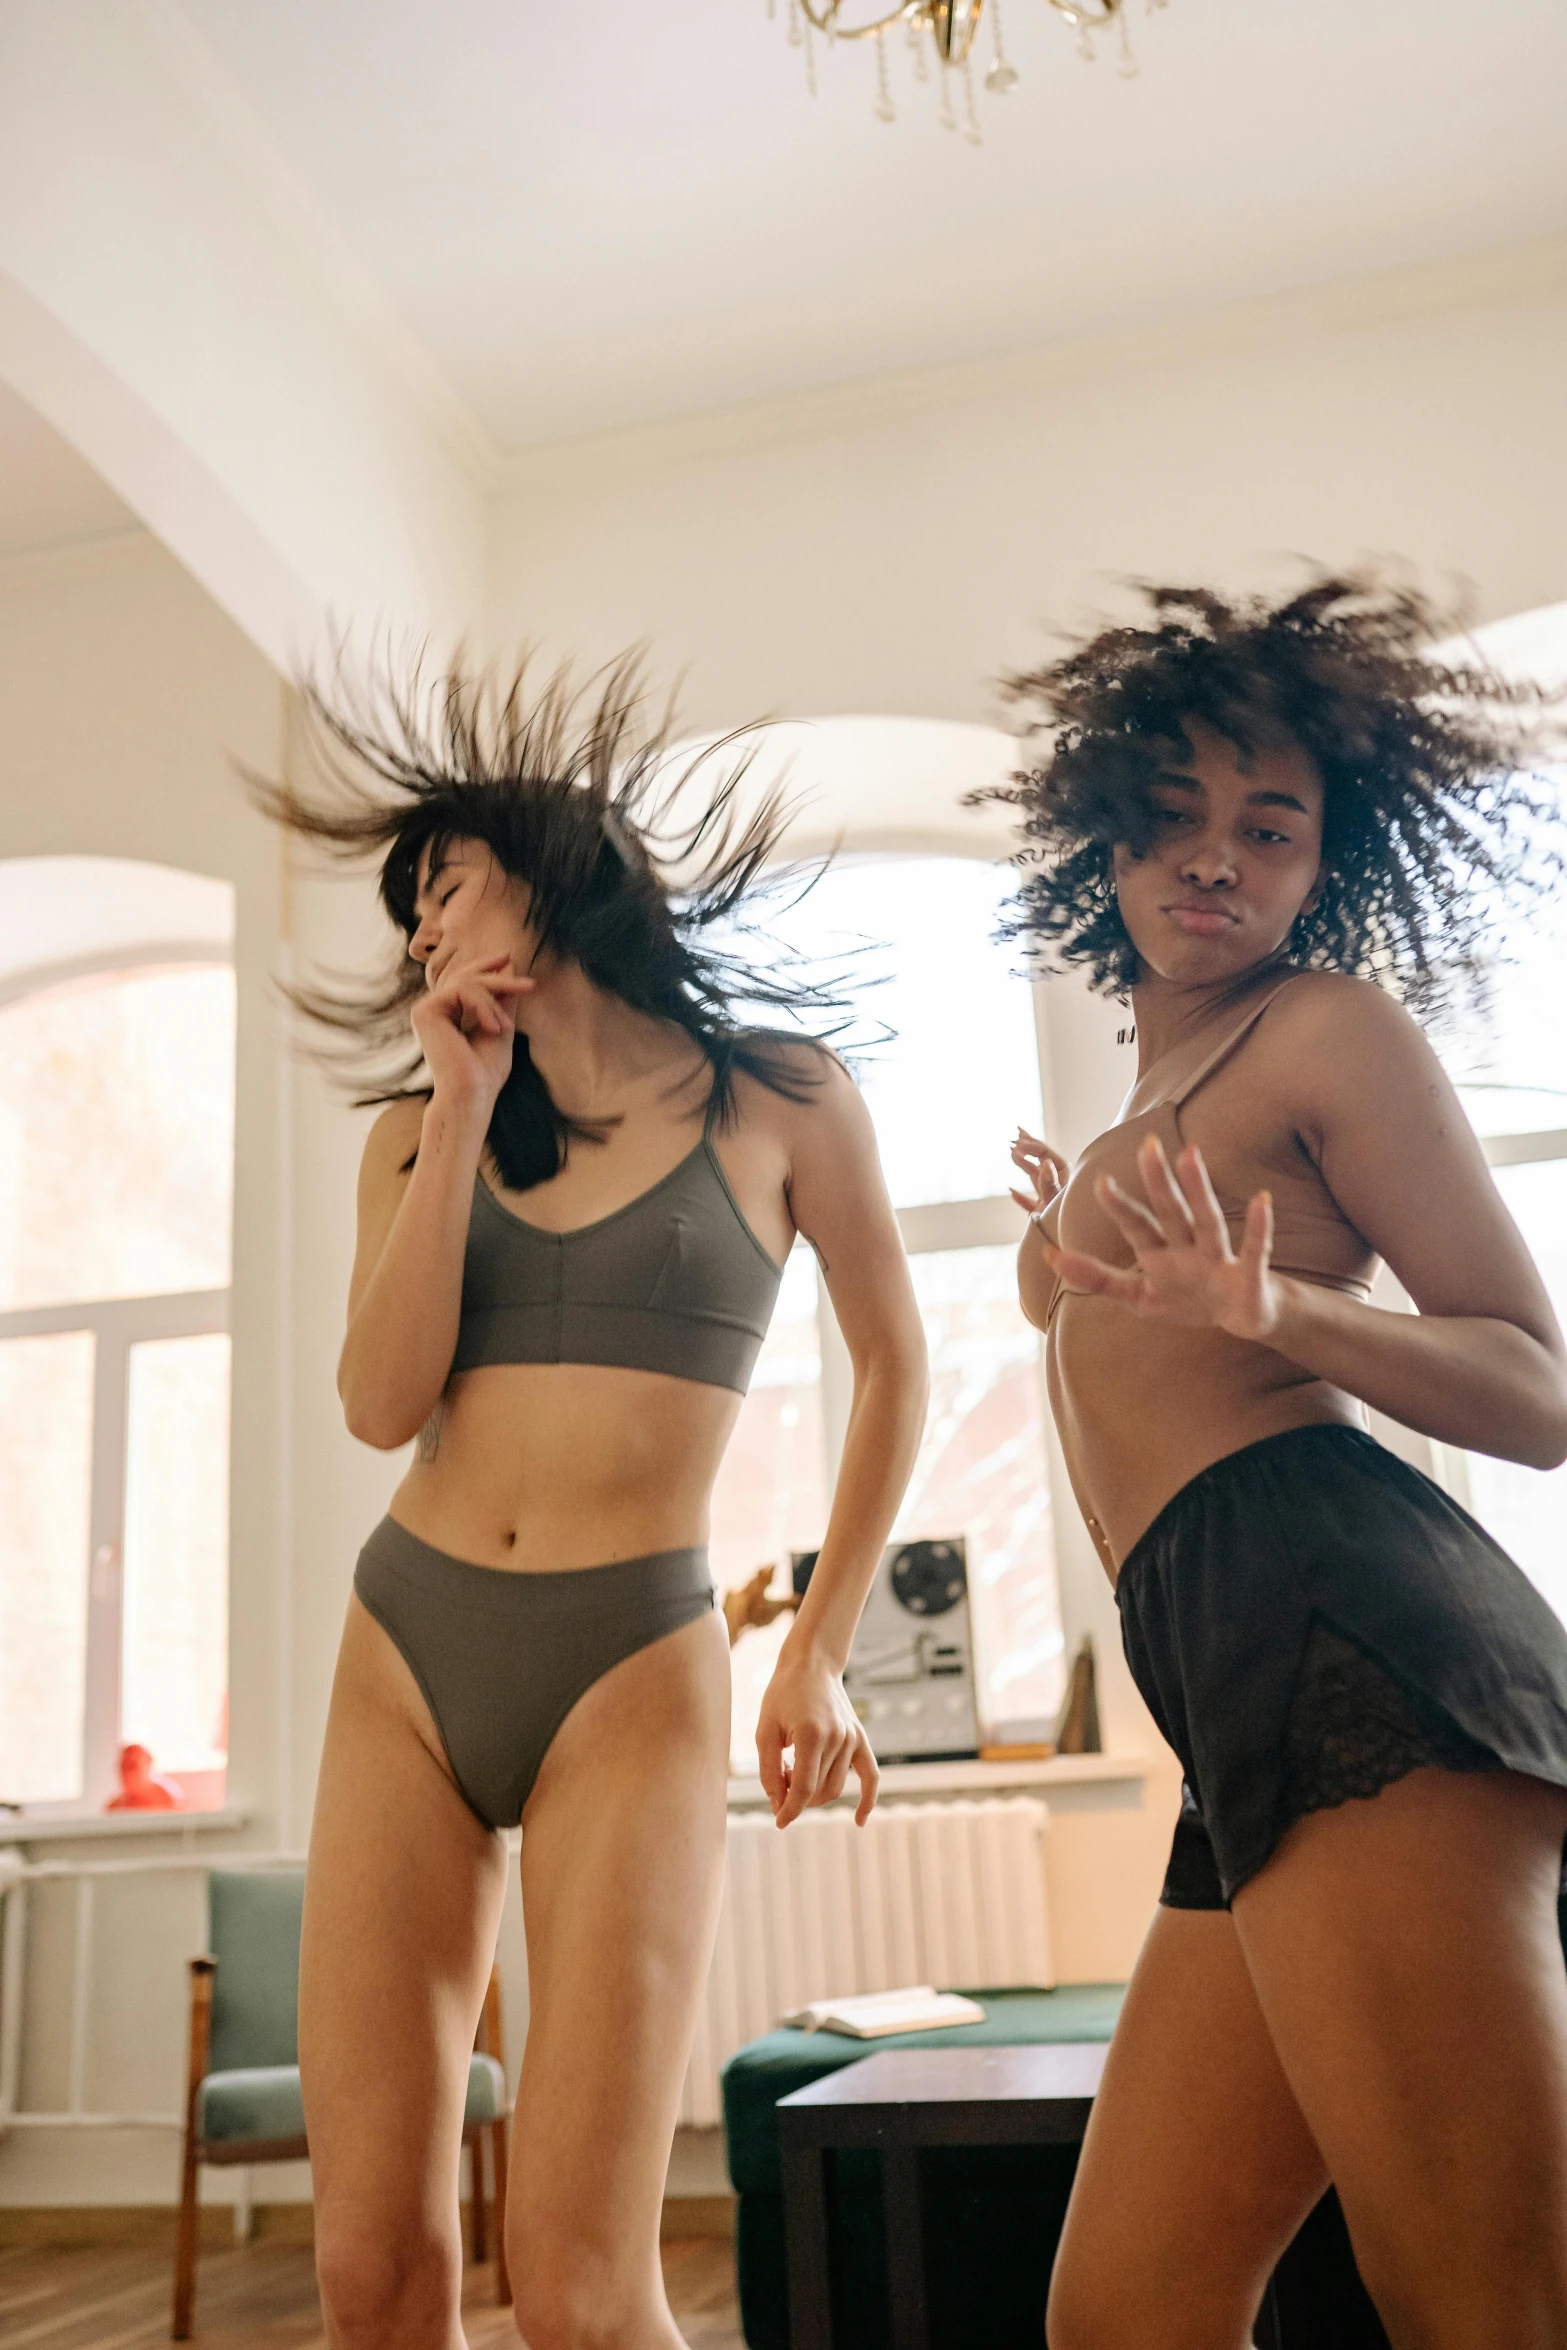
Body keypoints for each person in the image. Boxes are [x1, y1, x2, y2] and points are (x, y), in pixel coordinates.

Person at [255, 653, 927, 2350]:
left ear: (549, 872)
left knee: (578, 2283)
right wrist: (464, 1104)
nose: (420, 931)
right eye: (408, 912)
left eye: (446, 883)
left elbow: (892, 1364)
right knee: (371, 2275)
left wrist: (822, 1647)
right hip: (406, 1644)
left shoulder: (781, 1093)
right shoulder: (418, 1134)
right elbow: (376, 1404)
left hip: (631, 1660)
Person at [989, 576, 1567, 2350]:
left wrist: (1295, 1315)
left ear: (1330, 859)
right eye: (1168, 820)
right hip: (1230, 1678)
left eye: (1268, 825)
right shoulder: (1139, 1116)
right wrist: (1057, 1256)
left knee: (1479, 2305)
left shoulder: (1327, 1031)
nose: (1213, 859)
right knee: (1127, 2314)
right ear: (1101, 841)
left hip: (1349, 1638)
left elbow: (1538, 1386)